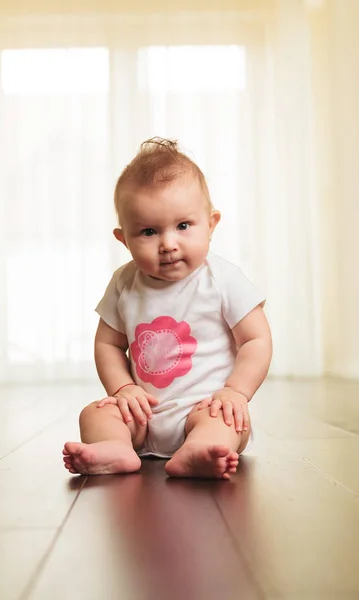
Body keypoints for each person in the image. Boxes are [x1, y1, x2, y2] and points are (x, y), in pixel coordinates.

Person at [63, 138, 272, 479]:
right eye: (148, 231)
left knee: (226, 423)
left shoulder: (222, 279)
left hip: (206, 408)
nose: (168, 244)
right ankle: (117, 448)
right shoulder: (124, 283)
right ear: (124, 239)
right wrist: (122, 389)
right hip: (142, 415)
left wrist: (236, 391)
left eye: (183, 226)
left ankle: (198, 451)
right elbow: (108, 344)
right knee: (95, 414)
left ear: (211, 223)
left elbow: (256, 340)